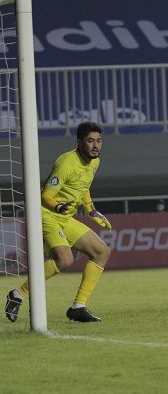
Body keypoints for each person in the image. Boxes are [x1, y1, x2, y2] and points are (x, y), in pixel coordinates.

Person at [5, 122, 113, 323]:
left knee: (101, 252)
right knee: (65, 259)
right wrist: (57, 207)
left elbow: (83, 186)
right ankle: (18, 294)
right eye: (90, 141)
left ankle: (78, 307)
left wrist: (92, 210)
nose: (95, 145)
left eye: (98, 141)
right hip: (47, 214)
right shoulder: (66, 163)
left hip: (65, 218)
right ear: (79, 142)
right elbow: (46, 194)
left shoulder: (94, 162)